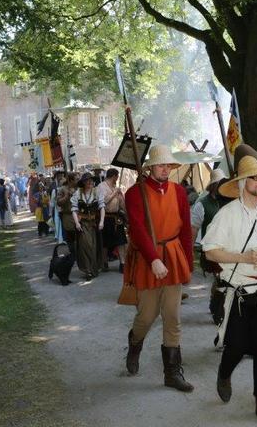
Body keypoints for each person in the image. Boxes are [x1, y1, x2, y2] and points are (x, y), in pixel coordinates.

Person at [202, 155, 257, 427]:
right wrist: (243, 257)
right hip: (237, 291)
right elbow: (209, 251)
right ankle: (224, 372)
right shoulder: (227, 214)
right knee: (237, 346)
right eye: (254, 177)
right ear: (241, 182)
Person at [124, 145, 194, 393]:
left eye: (168, 165)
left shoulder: (179, 191)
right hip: (148, 259)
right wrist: (153, 258)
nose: (166, 169)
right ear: (150, 167)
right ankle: (135, 342)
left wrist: (188, 263)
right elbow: (137, 230)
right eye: (161, 165)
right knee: (147, 316)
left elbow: (186, 230)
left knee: (172, 316)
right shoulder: (135, 193)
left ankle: (172, 373)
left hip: (173, 256)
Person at [190, 168, 229, 323]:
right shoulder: (202, 204)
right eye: (218, 183)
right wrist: (190, 250)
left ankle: (217, 303)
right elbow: (194, 228)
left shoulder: (230, 200)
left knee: (224, 279)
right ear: (213, 185)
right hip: (213, 250)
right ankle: (217, 307)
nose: (221, 186)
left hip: (230, 248)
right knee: (220, 279)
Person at [71, 172, 104, 279]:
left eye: (91, 180)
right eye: (87, 180)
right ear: (83, 182)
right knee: (85, 246)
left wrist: (101, 221)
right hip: (83, 224)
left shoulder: (97, 192)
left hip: (94, 224)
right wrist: (76, 223)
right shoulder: (78, 193)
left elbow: (102, 207)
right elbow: (74, 210)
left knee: (94, 247)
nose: (90, 182)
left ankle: (93, 268)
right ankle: (88, 270)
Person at [97, 168, 128, 272]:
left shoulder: (115, 187)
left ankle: (122, 263)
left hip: (116, 217)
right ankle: (104, 263)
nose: (117, 178)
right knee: (105, 242)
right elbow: (103, 201)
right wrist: (115, 193)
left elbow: (121, 204)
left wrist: (121, 197)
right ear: (114, 176)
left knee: (121, 241)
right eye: (117, 176)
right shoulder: (101, 186)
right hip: (106, 217)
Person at [57, 173, 78, 253]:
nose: (78, 181)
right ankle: (73, 253)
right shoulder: (62, 189)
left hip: (79, 215)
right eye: (76, 179)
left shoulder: (79, 189)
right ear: (70, 180)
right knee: (71, 236)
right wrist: (66, 196)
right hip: (68, 216)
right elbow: (58, 202)